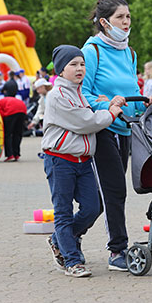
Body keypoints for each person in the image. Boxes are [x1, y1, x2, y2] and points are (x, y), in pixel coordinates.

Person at [81, 0, 152, 271]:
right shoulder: (91, 51)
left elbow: (128, 89)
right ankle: (117, 250)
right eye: (120, 18)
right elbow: (84, 94)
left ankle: (67, 235)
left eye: (128, 17)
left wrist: (143, 102)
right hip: (102, 128)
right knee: (115, 191)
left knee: (106, 196)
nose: (126, 23)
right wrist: (109, 104)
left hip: (126, 127)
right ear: (104, 22)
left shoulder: (129, 52)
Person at [42, 45, 124, 278]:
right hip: (60, 161)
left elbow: (91, 109)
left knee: (93, 206)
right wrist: (112, 112)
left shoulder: (79, 92)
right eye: (73, 64)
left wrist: (107, 103)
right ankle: (72, 260)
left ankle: (59, 239)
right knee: (63, 212)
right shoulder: (57, 95)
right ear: (61, 70)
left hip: (83, 161)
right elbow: (86, 122)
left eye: (82, 64)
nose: (80, 68)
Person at [0, 82, 27, 162]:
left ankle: (10, 155)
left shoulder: (1, 101)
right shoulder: (19, 100)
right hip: (22, 109)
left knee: (8, 134)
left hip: (10, 112)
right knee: (17, 133)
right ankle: (16, 154)